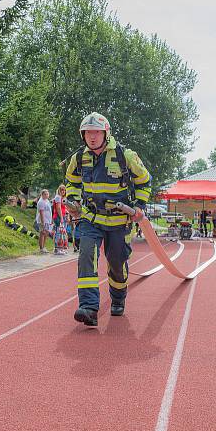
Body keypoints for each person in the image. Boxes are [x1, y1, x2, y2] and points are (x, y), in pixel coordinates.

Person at [65, 112, 151, 327]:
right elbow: (72, 182)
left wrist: (139, 206)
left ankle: (119, 297)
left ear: (106, 133)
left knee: (116, 264)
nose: (92, 137)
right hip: (90, 219)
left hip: (119, 222)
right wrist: (73, 200)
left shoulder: (125, 156)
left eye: (96, 132)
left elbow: (145, 181)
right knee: (86, 256)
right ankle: (89, 308)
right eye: (88, 133)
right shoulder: (79, 158)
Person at [35, 189, 53, 254]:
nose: (47, 195)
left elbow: (50, 211)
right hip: (43, 220)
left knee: (46, 233)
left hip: (48, 220)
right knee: (42, 233)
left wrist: (51, 220)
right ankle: (41, 248)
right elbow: (41, 213)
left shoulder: (47, 201)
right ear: (42, 195)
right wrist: (42, 223)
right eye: (45, 194)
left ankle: (44, 246)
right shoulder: (41, 202)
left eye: (47, 194)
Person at [52, 185, 69, 254]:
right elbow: (58, 208)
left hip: (62, 216)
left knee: (62, 233)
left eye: (64, 190)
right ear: (59, 190)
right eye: (62, 190)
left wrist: (66, 216)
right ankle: (57, 249)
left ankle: (60, 248)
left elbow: (64, 208)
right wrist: (62, 218)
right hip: (58, 217)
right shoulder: (58, 197)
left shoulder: (62, 198)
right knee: (59, 233)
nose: (63, 191)